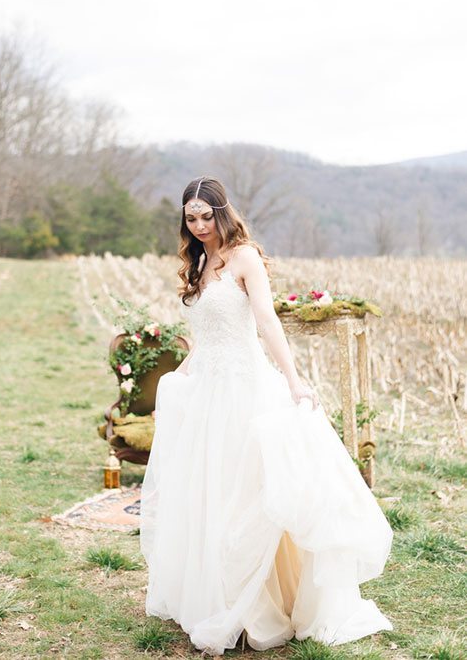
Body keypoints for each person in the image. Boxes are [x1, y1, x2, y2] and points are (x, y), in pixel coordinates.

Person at [140, 176, 394, 655]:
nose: (198, 226)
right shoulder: (198, 261)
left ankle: (258, 603)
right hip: (209, 390)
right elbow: (204, 334)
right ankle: (216, 593)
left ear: (222, 211)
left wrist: (294, 380)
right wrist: (183, 376)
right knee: (209, 489)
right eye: (190, 218)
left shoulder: (244, 257)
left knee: (249, 491)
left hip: (245, 387)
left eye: (205, 216)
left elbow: (265, 321)